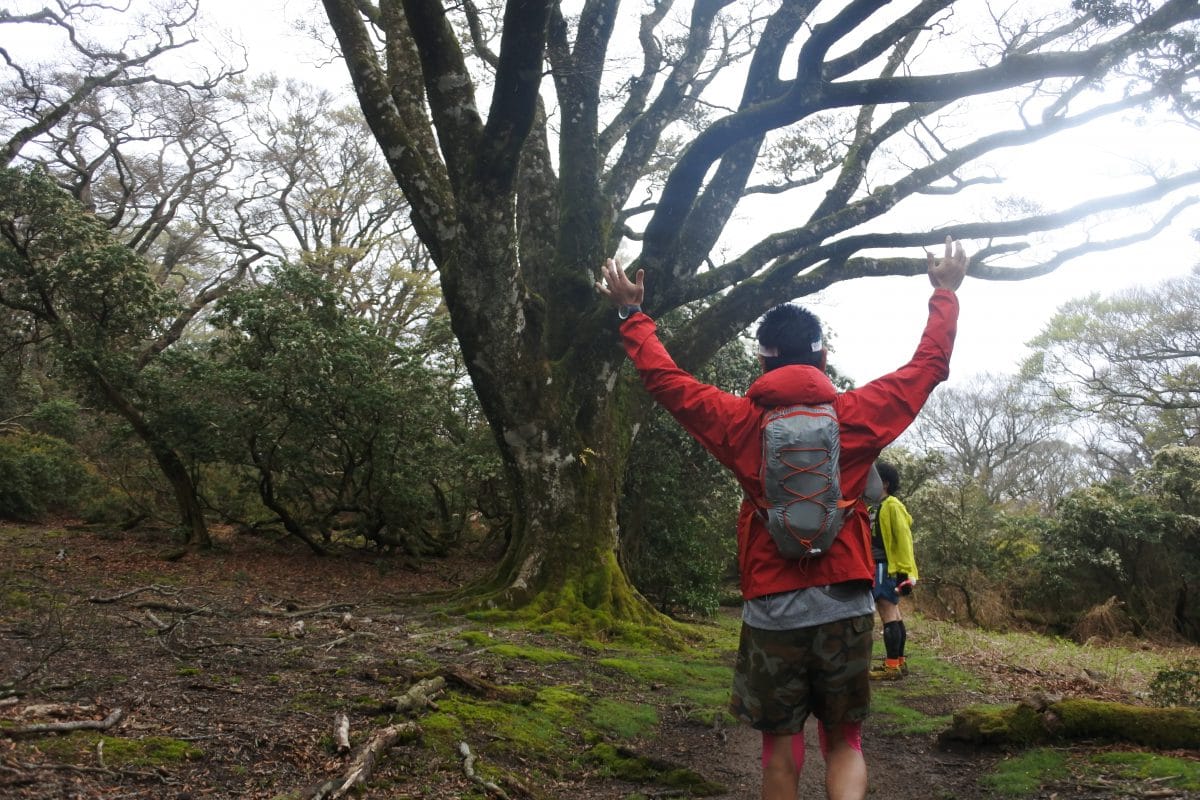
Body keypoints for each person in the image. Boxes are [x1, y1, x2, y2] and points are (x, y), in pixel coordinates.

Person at [596, 236, 968, 800]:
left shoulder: (738, 422)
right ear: (821, 357)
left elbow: (667, 382)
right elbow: (928, 367)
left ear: (762, 358)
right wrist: (943, 293)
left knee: (779, 749)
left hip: (771, 607)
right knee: (845, 743)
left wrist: (632, 315)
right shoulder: (857, 416)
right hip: (845, 598)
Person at [868, 461, 917, 681]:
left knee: (887, 612)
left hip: (886, 567)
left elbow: (904, 540)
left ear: (885, 483)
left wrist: (906, 573)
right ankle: (899, 662)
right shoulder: (873, 506)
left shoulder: (892, 505)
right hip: (879, 566)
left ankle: (891, 667)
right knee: (894, 615)